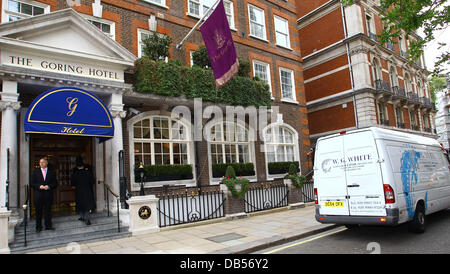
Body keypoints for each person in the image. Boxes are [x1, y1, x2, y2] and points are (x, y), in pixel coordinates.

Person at [30, 157, 57, 232]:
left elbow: (55, 183)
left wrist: (49, 186)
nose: (41, 164)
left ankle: (48, 226)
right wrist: (39, 186)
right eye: (40, 162)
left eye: (43, 162)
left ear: (46, 163)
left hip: (48, 195)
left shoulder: (52, 172)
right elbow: (32, 183)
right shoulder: (35, 172)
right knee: (38, 211)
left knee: (48, 211)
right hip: (38, 195)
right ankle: (38, 227)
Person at [71, 156, 96, 225]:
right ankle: (87, 219)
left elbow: (73, 185)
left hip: (78, 192)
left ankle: (82, 217)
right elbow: (92, 182)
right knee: (87, 205)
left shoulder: (74, 174)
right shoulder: (88, 173)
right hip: (87, 191)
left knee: (80, 204)